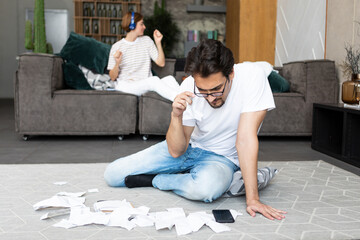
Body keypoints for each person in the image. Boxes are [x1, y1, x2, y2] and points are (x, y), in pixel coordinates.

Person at [104, 39, 287, 220]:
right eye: (203, 91)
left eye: (216, 89)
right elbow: (176, 151)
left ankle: (156, 179)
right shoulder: (189, 86)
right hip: (189, 149)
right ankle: (190, 175)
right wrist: (176, 115)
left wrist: (253, 199)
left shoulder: (253, 77)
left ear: (230, 73)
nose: (210, 98)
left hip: (221, 158)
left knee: (206, 190)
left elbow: (245, 139)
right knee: (113, 175)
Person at [107, 12, 179, 101]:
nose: (144, 27)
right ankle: (182, 101)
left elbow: (161, 63)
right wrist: (117, 63)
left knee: (170, 79)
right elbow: (112, 77)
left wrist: (158, 42)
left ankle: (188, 106)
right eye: (141, 24)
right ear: (132, 25)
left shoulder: (147, 41)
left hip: (145, 83)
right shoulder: (117, 47)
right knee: (154, 80)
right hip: (126, 85)